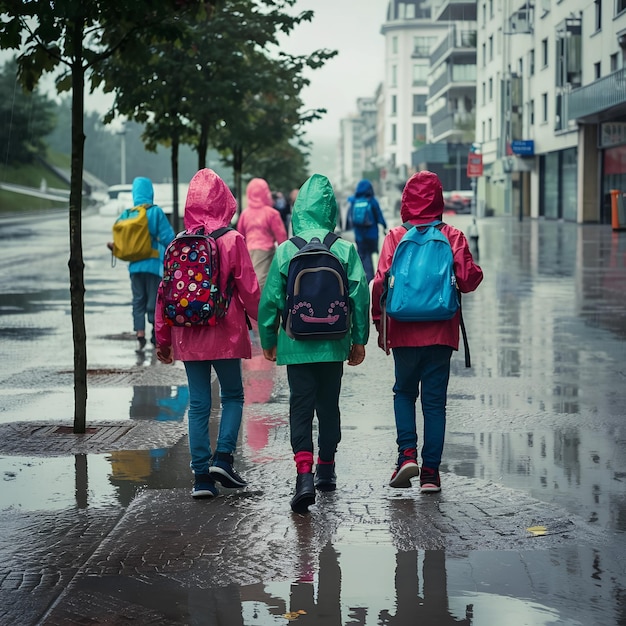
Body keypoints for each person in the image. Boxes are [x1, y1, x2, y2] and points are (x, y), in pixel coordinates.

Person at [257, 173, 370, 513]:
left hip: (296, 343)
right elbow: (359, 297)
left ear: (299, 209)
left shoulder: (285, 251)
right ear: (331, 209)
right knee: (329, 406)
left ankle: (303, 475)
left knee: (300, 407)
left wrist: (267, 338)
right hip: (334, 343)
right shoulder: (344, 249)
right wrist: (359, 339)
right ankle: (326, 469)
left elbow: (271, 300)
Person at [371, 170, 483, 493]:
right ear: (439, 200)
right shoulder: (452, 236)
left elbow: (380, 284)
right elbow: (468, 280)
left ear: (406, 201)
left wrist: (381, 325)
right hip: (441, 332)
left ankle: (406, 455)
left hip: (404, 331)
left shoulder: (395, 237)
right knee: (434, 404)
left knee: (404, 393)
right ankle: (431, 473)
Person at [155, 168, 261, 499]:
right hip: (225, 330)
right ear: (225, 200)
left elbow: (165, 292)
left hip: (188, 333)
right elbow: (249, 289)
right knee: (232, 395)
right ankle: (224, 458)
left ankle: (201, 478)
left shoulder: (178, 241)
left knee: (199, 403)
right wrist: (266, 325)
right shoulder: (233, 239)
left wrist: (163, 339)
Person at [108, 177, 175, 352]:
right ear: (150, 192)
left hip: (134, 266)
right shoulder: (155, 212)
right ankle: (155, 333)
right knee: (154, 300)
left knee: (138, 301)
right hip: (154, 265)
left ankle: (139, 334)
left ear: (135, 193)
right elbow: (169, 238)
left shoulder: (128, 213)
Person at [237, 178, 288, 289]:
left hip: (249, 252)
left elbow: (240, 235)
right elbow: (282, 238)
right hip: (266, 252)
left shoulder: (245, 214)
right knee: (263, 283)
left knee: (251, 282)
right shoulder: (272, 213)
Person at [346, 179, 387, 283]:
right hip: (372, 235)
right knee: (373, 255)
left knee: (363, 256)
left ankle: (364, 278)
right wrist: (384, 226)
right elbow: (379, 215)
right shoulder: (372, 200)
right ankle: (373, 279)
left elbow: (350, 218)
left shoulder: (354, 200)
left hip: (359, 235)